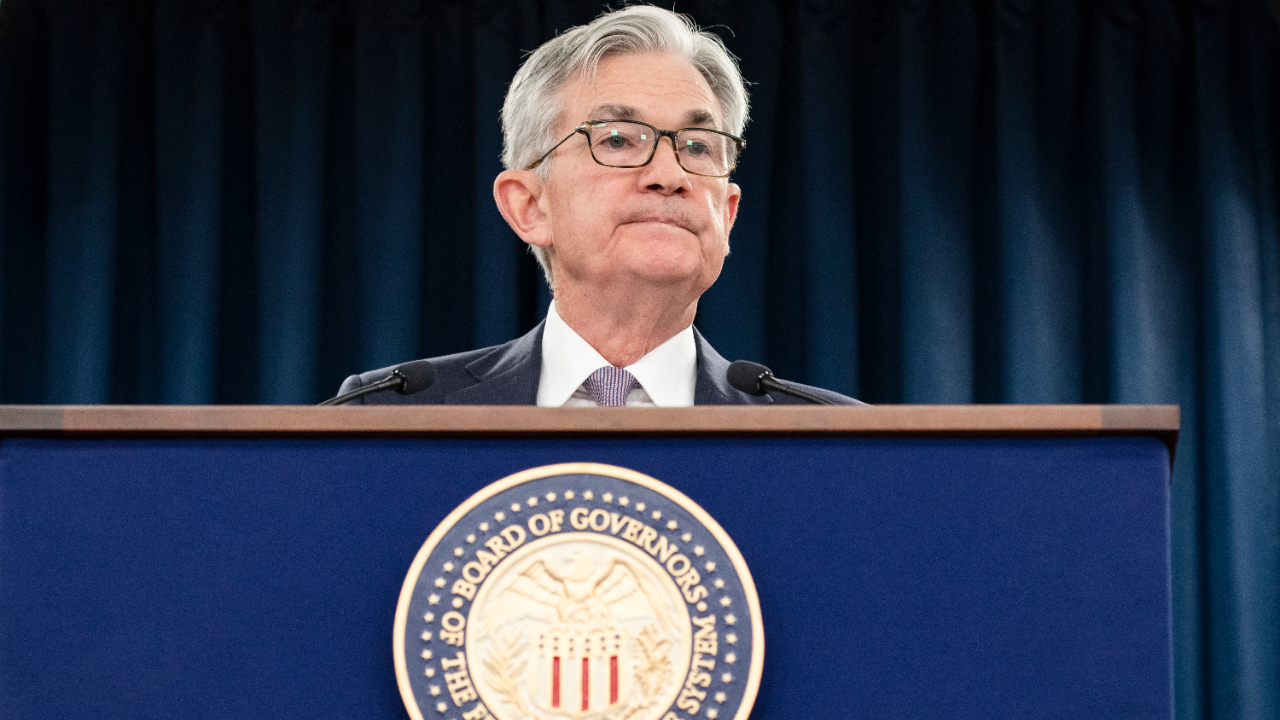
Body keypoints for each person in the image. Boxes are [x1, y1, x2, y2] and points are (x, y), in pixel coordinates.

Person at [337, 5, 860, 406]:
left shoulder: (838, 442)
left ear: (726, 213)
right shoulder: (391, 412)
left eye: (698, 146)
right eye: (617, 140)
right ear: (529, 206)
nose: (670, 174)